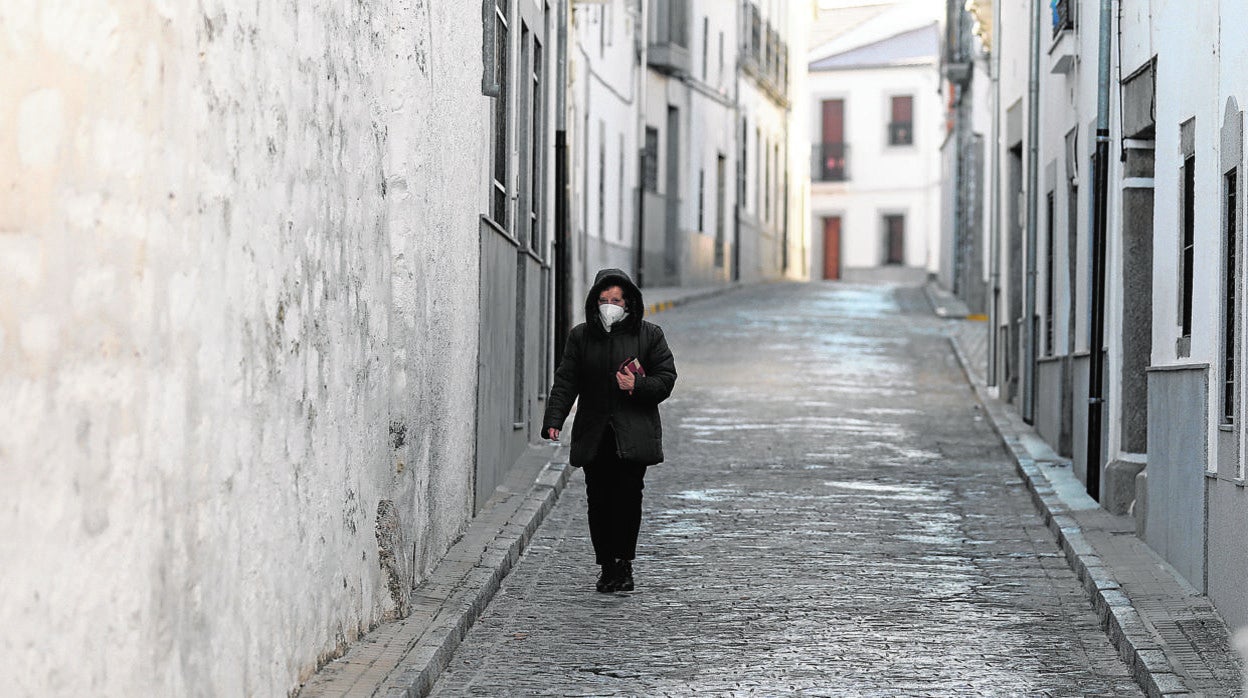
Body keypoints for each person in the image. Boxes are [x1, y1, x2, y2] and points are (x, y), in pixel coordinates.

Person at [543, 268, 677, 593]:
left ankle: (624, 563)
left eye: (616, 300)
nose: (610, 305)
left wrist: (638, 385)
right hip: (595, 433)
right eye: (604, 299)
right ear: (594, 301)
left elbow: (666, 378)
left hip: (633, 434)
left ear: (628, 302)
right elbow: (566, 380)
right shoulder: (581, 336)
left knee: (628, 499)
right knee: (599, 500)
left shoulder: (650, 335)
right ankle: (606, 566)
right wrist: (554, 419)